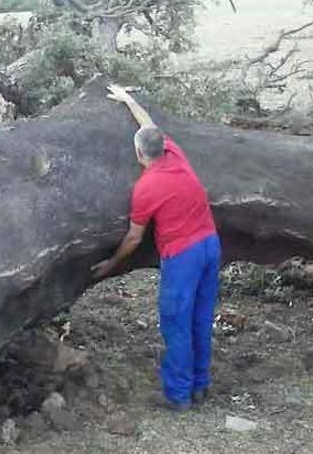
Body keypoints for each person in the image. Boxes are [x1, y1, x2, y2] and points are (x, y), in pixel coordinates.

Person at [91, 85, 221, 412]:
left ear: (139, 155)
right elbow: (148, 125)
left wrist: (111, 265)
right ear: (162, 146)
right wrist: (129, 100)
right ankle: (200, 385)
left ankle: (178, 395)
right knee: (201, 318)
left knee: (176, 321)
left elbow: (134, 239)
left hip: (183, 256)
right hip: (210, 244)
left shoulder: (146, 187)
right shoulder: (175, 153)